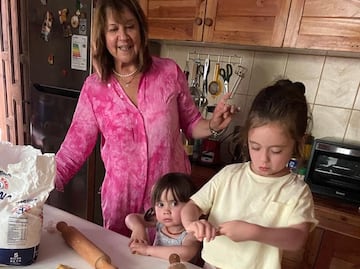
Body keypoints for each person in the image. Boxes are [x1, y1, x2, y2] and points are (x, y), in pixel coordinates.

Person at [55, 0, 237, 237]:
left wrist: (212, 125)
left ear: (140, 30)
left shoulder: (169, 73)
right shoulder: (94, 89)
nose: (123, 36)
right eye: (113, 29)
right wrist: (37, 186)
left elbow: (192, 124)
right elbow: (72, 151)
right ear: (102, 36)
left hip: (171, 205)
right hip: (121, 206)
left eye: (130, 26)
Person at [181, 79, 319, 269]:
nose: (264, 159)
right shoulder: (229, 175)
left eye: (276, 151)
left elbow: (297, 239)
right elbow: (193, 205)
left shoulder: (296, 191)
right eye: (255, 147)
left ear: (298, 143)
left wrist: (256, 232)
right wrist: (191, 223)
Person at [125, 172, 201, 262]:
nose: (166, 211)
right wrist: (138, 228)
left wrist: (147, 250)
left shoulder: (192, 231)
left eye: (174, 203)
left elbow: (186, 253)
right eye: (161, 204)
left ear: (190, 206)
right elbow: (130, 218)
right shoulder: (160, 222)